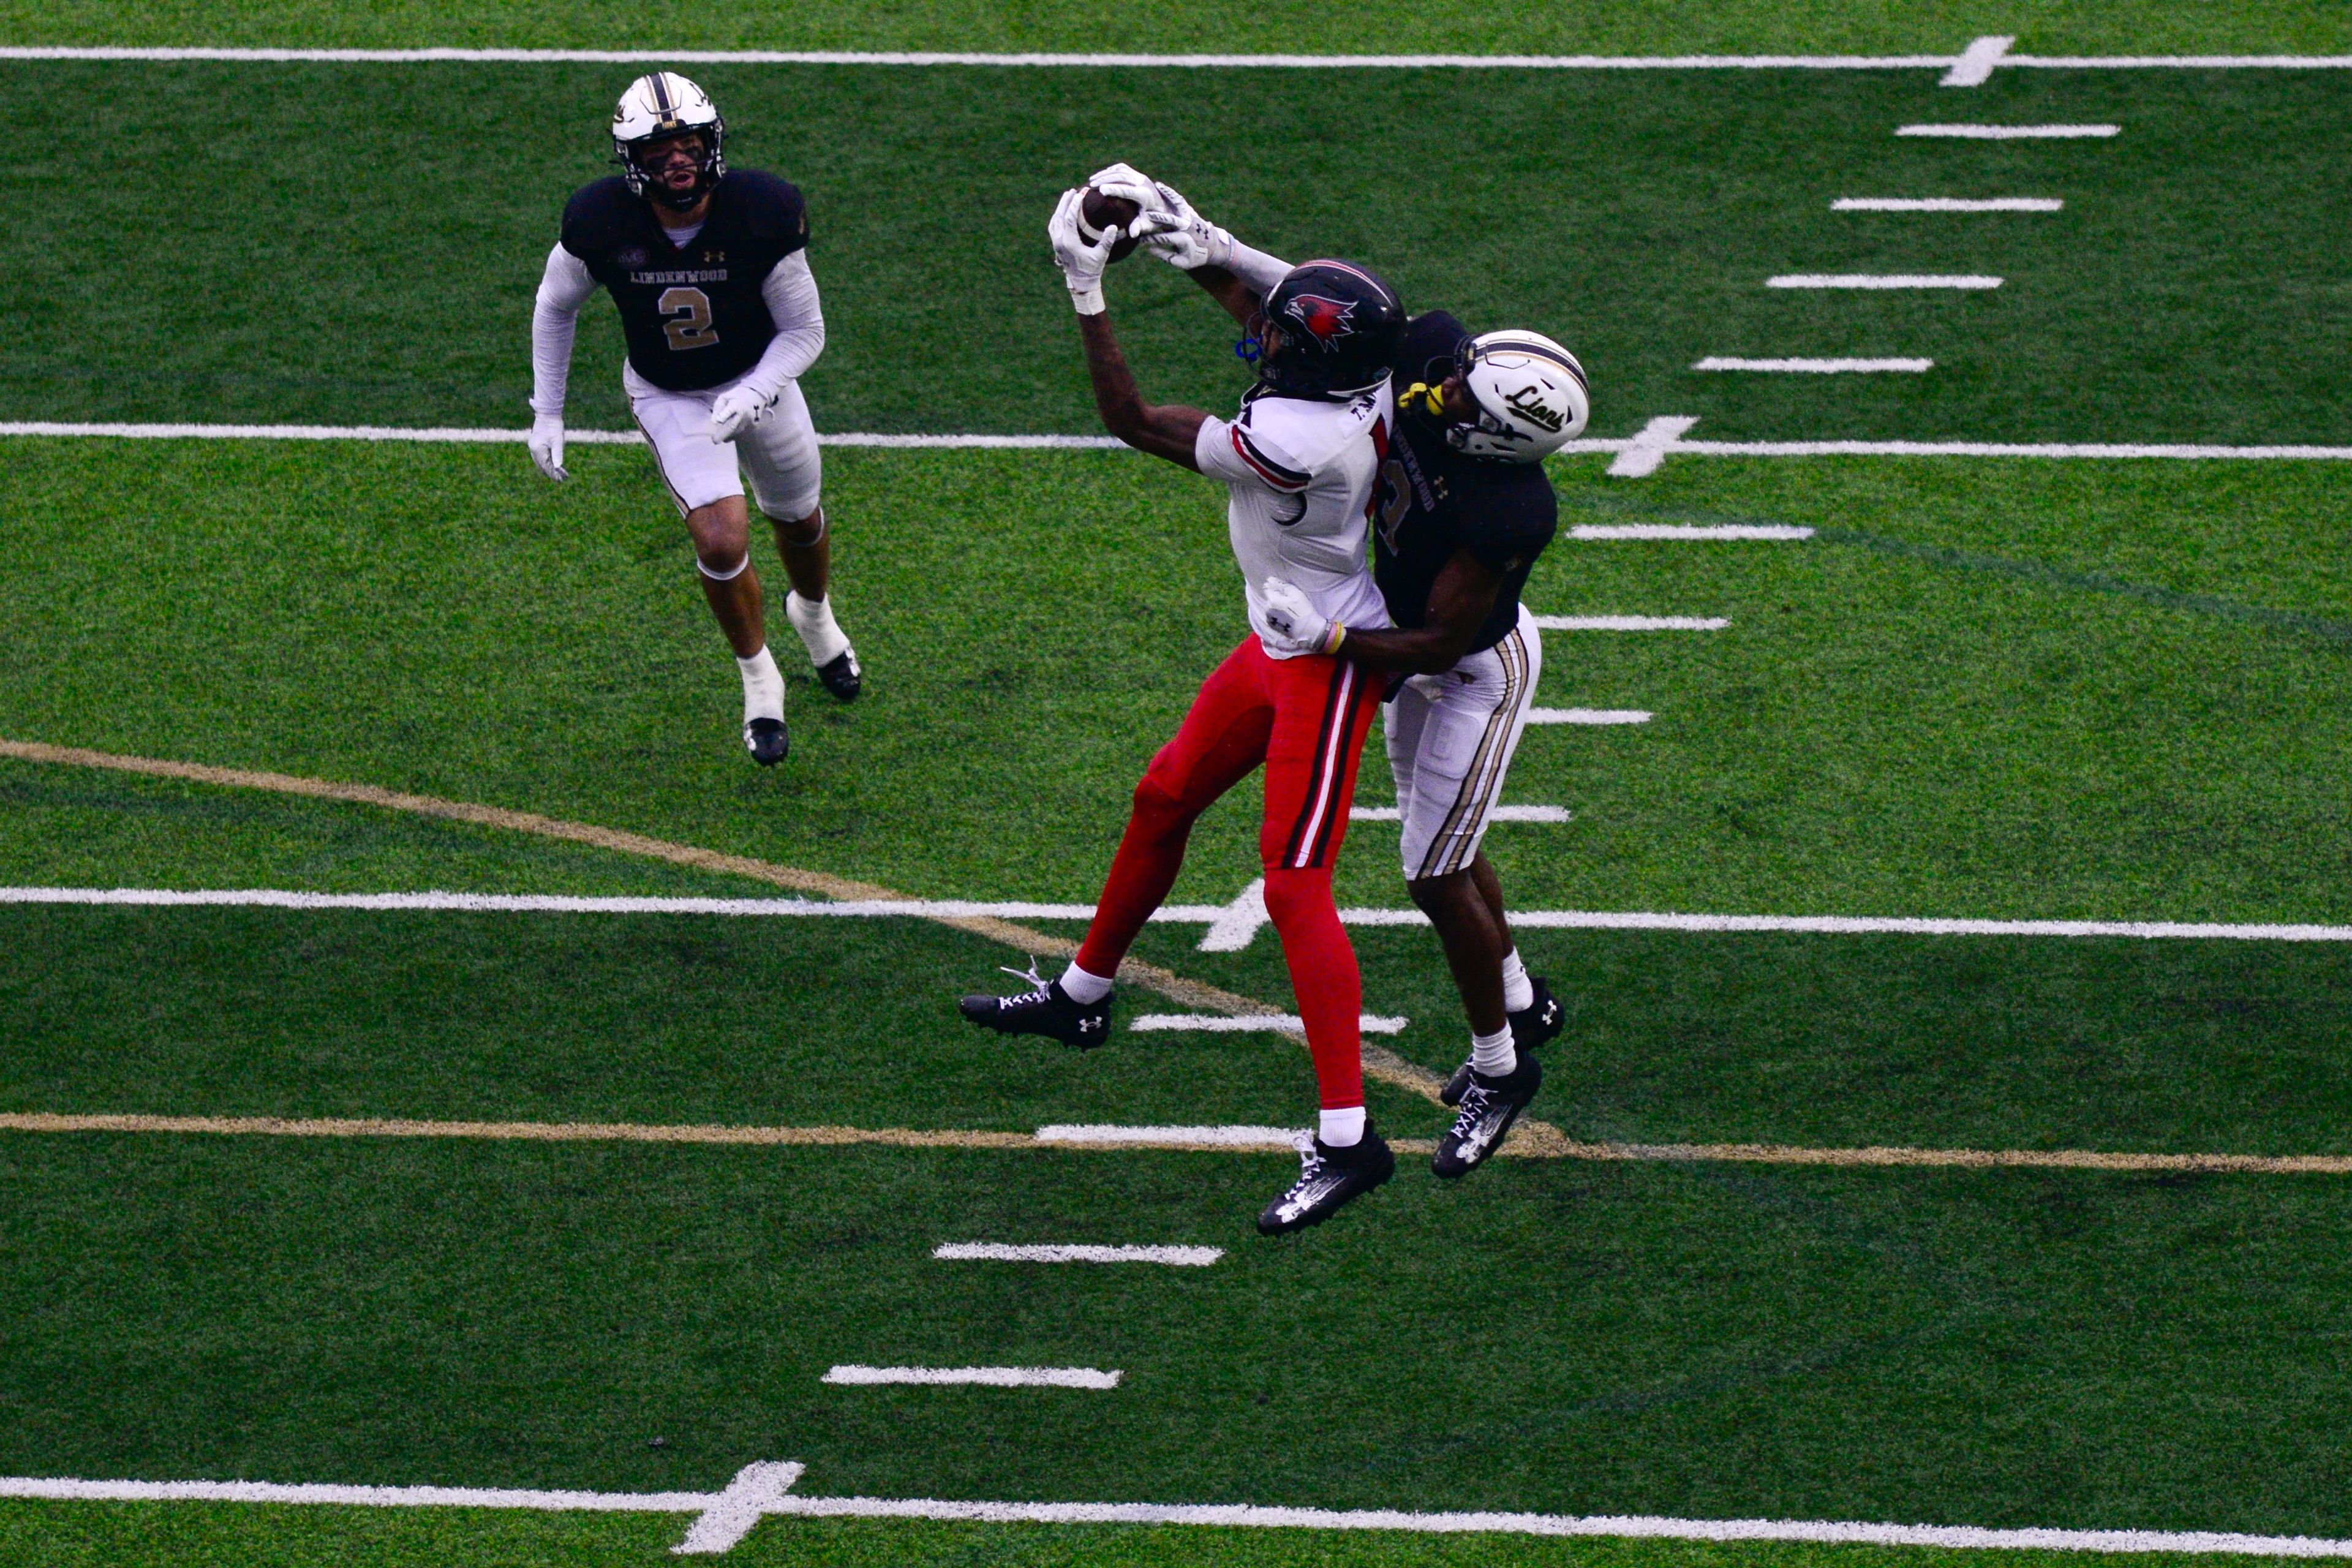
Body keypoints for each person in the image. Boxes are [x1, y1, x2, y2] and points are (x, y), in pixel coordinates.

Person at [1116, 173, 1589, 1178]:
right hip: (1392, 640)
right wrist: (1208, 246)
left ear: (1500, 437)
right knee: (1446, 845)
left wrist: (1327, 645)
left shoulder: (1507, 516)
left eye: (1464, 395)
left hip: (1465, 669)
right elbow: (1324, 322)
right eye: (1461, 372)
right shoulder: (1435, 360)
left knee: (1434, 869)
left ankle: (1499, 1068)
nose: (1443, 385)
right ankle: (1515, 995)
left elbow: (1435, 646)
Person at [959, 174, 1404, 1236]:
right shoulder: (1361, 379)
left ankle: (1350, 1139)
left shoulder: (1301, 441)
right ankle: (1082, 995)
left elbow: (1132, 419)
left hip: (1326, 659)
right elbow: (1279, 305)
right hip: (1278, 633)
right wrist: (1197, 238)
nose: (1268, 341)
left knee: (1295, 884)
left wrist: (1086, 287)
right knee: (1162, 797)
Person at [527, 72, 861, 769]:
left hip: (755, 380)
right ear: (632, 162)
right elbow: (556, 304)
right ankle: (759, 677)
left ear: (712, 143)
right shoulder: (601, 220)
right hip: (669, 393)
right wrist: (548, 409)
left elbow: (805, 330)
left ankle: (815, 615)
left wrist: (760, 388)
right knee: (718, 537)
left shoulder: (762, 210)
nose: (676, 159)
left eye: (687, 143)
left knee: (798, 517)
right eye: (657, 149)